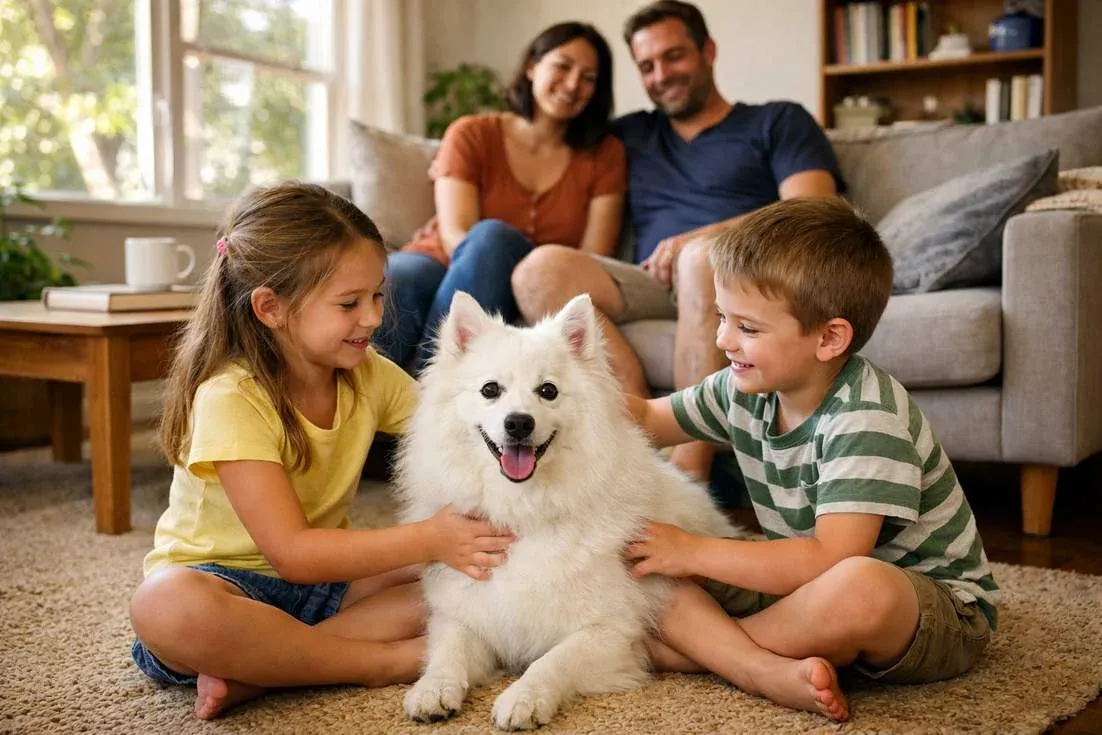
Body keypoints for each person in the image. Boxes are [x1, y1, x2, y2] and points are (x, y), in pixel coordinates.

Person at [127, 182, 515, 720]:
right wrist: (428, 537)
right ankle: (370, 663)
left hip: (326, 590)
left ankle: (265, 673)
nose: (374, 317)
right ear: (271, 307)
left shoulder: (368, 374)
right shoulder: (231, 397)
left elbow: (456, 415)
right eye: (349, 303)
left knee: (480, 571)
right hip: (225, 585)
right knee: (163, 606)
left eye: (378, 295)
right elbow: (293, 552)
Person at [622, 198, 1000, 721]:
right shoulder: (744, 387)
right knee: (652, 567)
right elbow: (642, 416)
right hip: (805, 588)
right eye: (722, 317)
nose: (723, 340)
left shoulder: (866, 417)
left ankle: (722, 656)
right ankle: (764, 663)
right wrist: (561, 384)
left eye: (747, 328)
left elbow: (831, 559)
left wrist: (692, 550)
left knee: (858, 586)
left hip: (930, 610)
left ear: (828, 338)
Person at [511, 0, 843, 484]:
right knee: (536, 271)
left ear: (708, 51)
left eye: (675, 56)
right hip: (650, 279)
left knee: (699, 258)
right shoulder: (630, 134)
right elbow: (546, 137)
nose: (662, 74)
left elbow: (817, 208)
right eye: (647, 66)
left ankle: (689, 478)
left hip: (740, 274)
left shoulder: (777, 121)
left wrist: (704, 238)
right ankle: (638, 432)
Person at [373, 22, 627, 372]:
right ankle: (357, 412)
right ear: (532, 66)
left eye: (588, 78)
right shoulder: (472, 133)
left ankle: (423, 400)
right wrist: (478, 270)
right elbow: (454, 232)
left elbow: (591, 255)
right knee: (403, 275)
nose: (573, 85)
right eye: (563, 66)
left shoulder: (604, 154)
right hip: (440, 257)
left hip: (523, 280)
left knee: (494, 236)